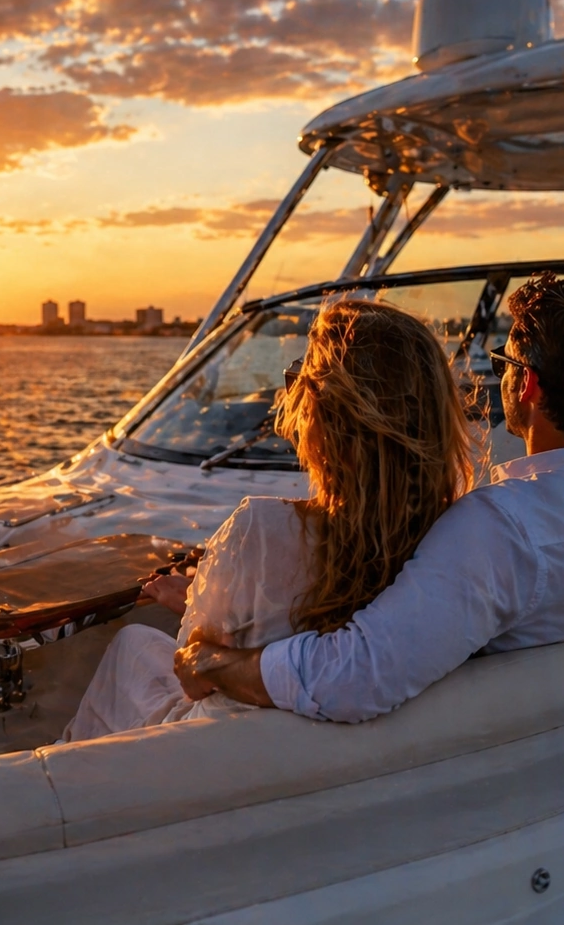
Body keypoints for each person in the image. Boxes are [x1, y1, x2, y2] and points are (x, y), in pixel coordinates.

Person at [171, 273, 564, 723]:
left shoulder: (500, 528)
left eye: (503, 362)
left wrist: (214, 662)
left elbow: (354, 676)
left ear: (526, 384)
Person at [61, 299, 476, 741]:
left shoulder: (259, 531)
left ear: (324, 417)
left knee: (131, 647)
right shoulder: (456, 536)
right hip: (311, 751)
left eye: (299, 378)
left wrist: (209, 595)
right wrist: (207, 593)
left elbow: (193, 672)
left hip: (215, 749)